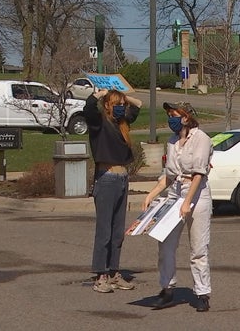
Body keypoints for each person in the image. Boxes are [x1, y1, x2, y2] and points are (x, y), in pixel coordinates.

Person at [143, 101, 213, 312]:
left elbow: (199, 174)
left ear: (186, 117)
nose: (171, 118)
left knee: (198, 248)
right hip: (175, 194)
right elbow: (169, 175)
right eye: (169, 115)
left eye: (174, 114)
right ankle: (167, 289)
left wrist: (187, 202)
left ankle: (202, 293)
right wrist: (152, 194)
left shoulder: (201, 139)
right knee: (165, 244)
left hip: (197, 195)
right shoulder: (173, 141)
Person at [85, 88, 142, 293]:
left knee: (118, 231)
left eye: (122, 104)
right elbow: (89, 109)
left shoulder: (122, 124)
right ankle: (101, 276)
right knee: (105, 231)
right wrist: (100, 94)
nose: (120, 107)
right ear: (107, 105)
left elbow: (138, 108)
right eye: (116, 104)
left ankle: (113, 272)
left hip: (121, 178)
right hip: (106, 178)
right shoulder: (99, 123)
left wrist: (126, 96)